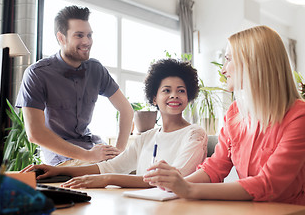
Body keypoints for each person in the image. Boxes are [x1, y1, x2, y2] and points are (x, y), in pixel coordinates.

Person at [143, 26, 305, 215]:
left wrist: (187, 189)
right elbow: (214, 168)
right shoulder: (234, 113)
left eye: (228, 59)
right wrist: (175, 185)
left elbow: (269, 184)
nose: (222, 70)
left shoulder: (302, 115)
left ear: (252, 63)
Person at [21, 58, 207, 188]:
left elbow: (174, 179)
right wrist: (56, 170)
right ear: (154, 98)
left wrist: (108, 179)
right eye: (166, 90)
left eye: (181, 91)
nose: (174, 95)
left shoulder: (195, 134)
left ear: (188, 97)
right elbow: (110, 166)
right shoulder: (146, 138)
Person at [15, 5, 134, 166]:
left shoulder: (96, 69)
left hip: (92, 146)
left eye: (89, 35)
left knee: (139, 169)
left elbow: (126, 110)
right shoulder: (37, 74)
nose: (87, 41)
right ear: (61, 38)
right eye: (79, 35)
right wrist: (88, 156)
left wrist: (118, 151)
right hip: (61, 155)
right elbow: (35, 134)